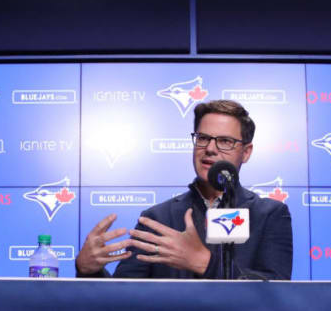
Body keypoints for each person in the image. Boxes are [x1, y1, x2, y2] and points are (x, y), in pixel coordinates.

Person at [76, 100, 292, 279]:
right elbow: (124, 297)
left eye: (225, 141)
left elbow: (275, 295)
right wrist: (89, 271)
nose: (210, 148)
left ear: (246, 152)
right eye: (203, 138)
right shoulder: (157, 218)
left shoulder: (269, 215)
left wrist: (204, 263)